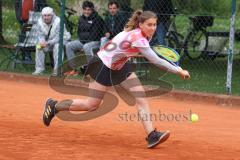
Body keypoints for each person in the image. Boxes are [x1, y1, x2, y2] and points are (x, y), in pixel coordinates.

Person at [42, 10, 190, 148]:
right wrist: (178, 70)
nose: (152, 28)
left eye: (155, 24)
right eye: (149, 25)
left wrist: (129, 53)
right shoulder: (138, 37)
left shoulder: (141, 34)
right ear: (141, 24)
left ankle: (152, 135)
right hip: (102, 65)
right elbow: (155, 60)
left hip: (120, 65)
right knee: (91, 105)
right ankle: (54, 106)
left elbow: (126, 48)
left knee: (141, 97)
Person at [64, 0, 105, 76]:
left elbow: (95, 35)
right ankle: (73, 69)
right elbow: (79, 32)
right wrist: (82, 42)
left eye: (88, 10)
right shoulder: (81, 18)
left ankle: (92, 71)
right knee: (69, 45)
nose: (86, 12)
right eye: (85, 9)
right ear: (83, 10)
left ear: (92, 10)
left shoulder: (97, 19)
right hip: (83, 41)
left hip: (96, 41)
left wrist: (83, 44)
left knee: (86, 47)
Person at [32, 7, 71, 76]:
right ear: (42, 16)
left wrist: (47, 43)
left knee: (57, 46)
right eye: (44, 15)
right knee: (38, 46)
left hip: (63, 41)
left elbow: (58, 37)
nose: (46, 17)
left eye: (48, 15)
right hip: (48, 42)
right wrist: (42, 42)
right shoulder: (39, 22)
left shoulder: (58, 21)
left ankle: (57, 70)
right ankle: (39, 69)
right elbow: (40, 35)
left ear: (52, 15)